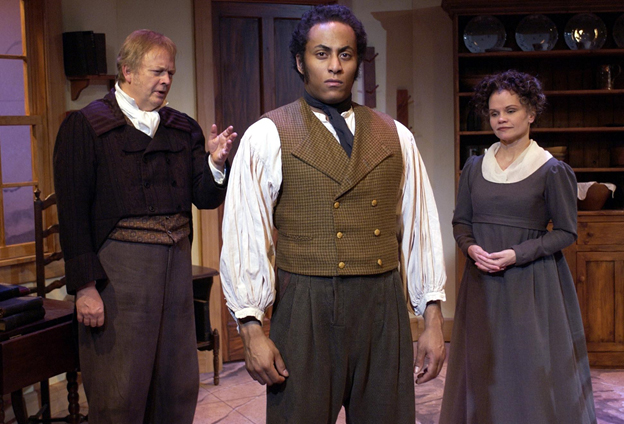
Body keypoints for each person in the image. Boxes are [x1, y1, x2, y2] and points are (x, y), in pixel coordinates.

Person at [219, 5, 446, 424]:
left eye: (346, 54)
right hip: (304, 307)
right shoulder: (267, 134)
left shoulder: (396, 136)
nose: (335, 65)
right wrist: (251, 328)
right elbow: (245, 234)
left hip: (382, 309)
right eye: (321, 54)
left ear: (358, 61)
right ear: (300, 61)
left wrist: (431, 319)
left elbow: (420, 230)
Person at [53, 29, 236, 424]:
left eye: (170, 72)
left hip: (173, 279)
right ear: (128, 71)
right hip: (118, 282)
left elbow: (203, 197)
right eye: (157, 71)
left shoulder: (182, 127)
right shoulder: (85, 127)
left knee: (177, 387)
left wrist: (216, 164)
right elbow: (72, 215)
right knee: (120, 391)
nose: (166, 80)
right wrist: (85, 288)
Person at [439, 70, 596, 423]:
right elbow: (460, 222)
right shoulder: (475, 167)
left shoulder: (551, 170)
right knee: (484, 367)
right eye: (494, 113)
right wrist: (470, 248)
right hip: (482, 285)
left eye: (510, 111)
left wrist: (517, 254)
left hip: (532, 284)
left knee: (530, 370)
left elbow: (567, 233)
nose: (501, 120)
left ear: (530, 113)